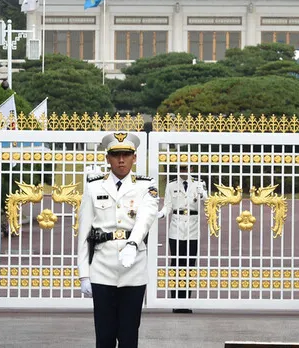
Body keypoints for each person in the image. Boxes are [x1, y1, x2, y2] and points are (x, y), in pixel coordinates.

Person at [78, 132, 158, 348]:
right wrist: (84, 274)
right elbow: (84, 233)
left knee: (129, 335)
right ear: (107, 158)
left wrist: (132, 243)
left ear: (134, 158)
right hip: (102, 268)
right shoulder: (94, 187)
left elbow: (146, 218)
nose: (121, 160)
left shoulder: (146, 186)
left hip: (133, 269)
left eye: (126, 154)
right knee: (104, 335)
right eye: (115, 155)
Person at [158, 163, 208, 312]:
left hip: (192, 228)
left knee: (189, 263)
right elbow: (168, 205)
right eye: (181, 168)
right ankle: (176, 302)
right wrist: (161, 213)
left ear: (191, 169)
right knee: (177, 263)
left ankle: (186, 301)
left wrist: (202, 193)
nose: (184, 171)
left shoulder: (199, 183)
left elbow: (207, 202)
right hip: (176, 227)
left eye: (186, 168)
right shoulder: (171, 185)